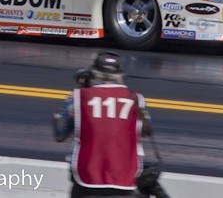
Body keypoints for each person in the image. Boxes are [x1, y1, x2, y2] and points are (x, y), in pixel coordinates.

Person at [53, 52, 155, 198]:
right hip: (124, 178)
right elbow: (147, 130)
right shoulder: (135, 99)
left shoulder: (79, 96)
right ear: (121, 76)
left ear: (93, 73)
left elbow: (60, 133)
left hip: (87, 178)